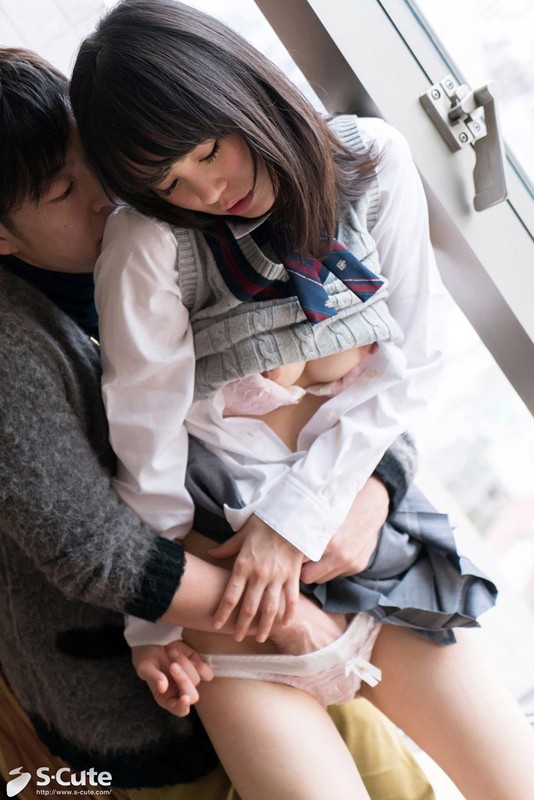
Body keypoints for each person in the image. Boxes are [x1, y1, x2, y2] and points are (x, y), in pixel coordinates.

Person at [68, 2, 534, 799]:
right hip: (233, 594)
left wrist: (299, 520)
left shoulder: (372, 162)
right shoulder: (147, 243)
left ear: (241, 92)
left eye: (207, 151)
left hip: (369, 547)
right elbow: (147, 452)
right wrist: (154, 621)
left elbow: (413, 362)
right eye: (168, 182)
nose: (206, 190)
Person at [0, 46, 438, 800]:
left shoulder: (176, 220)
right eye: (66, 190)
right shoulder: (16, 342)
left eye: (96, 163)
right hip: (151, 689)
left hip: (291, 581)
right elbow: (92, 548)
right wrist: (289, 620)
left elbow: (348, 366)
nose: (106, 195)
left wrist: (377, 485)